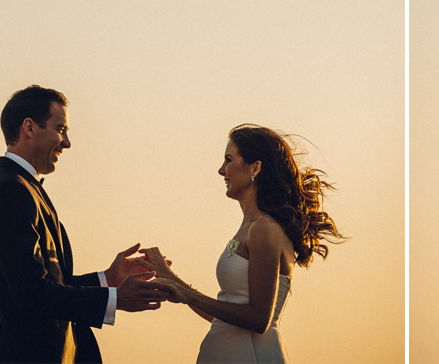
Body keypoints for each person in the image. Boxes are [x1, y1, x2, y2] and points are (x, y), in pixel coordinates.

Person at [0, 85, 168, 363]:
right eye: (60, 128)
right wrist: (115, 299)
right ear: (29, 127)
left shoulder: (24, 189)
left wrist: (108, 279)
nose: (67, 142)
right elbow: (30, 293)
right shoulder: (10, 192)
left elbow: (49, 285)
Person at [140, 124, 344, 363]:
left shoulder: (264, 229)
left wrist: (187, 295)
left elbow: (258, 319)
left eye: (229, 160)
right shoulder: (248, 228)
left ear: (255, 167)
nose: (221, 170)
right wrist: (170, 277)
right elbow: (225, 314)